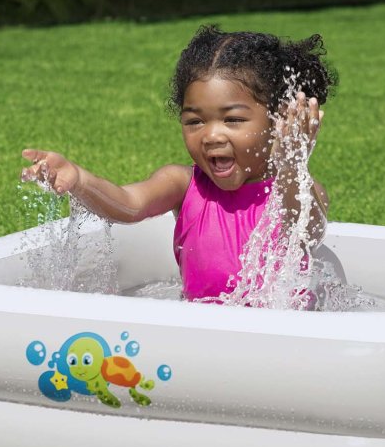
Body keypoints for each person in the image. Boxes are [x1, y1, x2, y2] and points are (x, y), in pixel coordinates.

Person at [20, 24, 338, 303]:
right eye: (195, 121)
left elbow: (308, 229)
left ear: (278, 122)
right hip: (197, 337)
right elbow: (128, 204)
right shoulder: (184, 185)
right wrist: (79, 179)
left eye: (233, 119)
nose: (211, 135)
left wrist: (292, 164)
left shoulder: (296, 190)